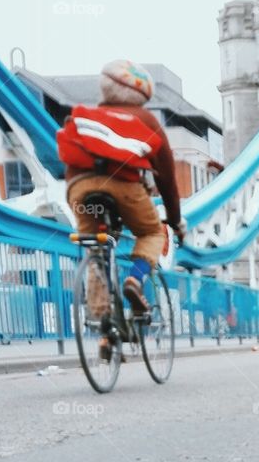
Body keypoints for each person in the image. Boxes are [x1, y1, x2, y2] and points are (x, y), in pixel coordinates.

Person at [59, 60, 185, 327]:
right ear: (142, 95)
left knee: (95, 247)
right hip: (125, 187)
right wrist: (174, 220)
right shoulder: (145, 119)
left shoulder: (87, 116)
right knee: (152, 233)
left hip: (80, 189)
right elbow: (166, 179)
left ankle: (102, 324)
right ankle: (134, 280)